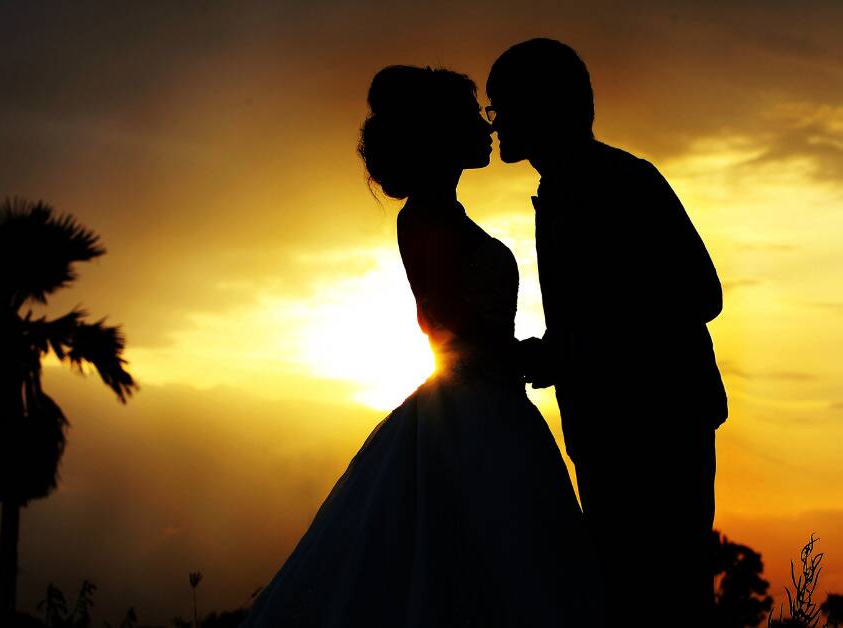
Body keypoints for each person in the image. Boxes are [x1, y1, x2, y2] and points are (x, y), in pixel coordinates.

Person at [240, 65, 605, 627]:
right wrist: (526, 354)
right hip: (473, 409)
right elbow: (442, 319)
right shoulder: (425, 220)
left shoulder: (443, 217)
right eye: (471, 118)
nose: (487, 128)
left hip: (491, 402)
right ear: (441, 136)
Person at [486, 38, 728, 625]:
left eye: (504, 107)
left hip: (657, 433)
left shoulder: (625, 182)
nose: (495, 125)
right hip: (606, 437)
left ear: (543, 108)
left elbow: (701, 294)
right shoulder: (561, 191)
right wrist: (554, 352)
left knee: (663, 598)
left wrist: (567, 352)